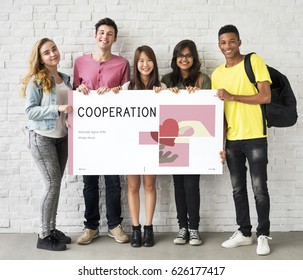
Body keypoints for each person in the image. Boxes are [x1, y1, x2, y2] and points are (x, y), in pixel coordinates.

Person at [212, 24, 272, 255]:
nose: (227, 46)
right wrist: (221, 144)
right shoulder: (217, 74)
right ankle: (245, 233)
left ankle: (263, 234)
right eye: (223, 43)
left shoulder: (253, 61)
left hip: (255, 136)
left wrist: (233, 96)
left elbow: (265, 96)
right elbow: (221, 113)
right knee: (238, 189)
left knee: (259, 189)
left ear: (239, 42)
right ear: (219, 45)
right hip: (233, 140)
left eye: (231, 41)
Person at [73, 18, 130, 245]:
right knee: (89, 182)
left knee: (113, 182)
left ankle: (115, 225)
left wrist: (117, 91)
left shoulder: (122, 64)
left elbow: (127, 96)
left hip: (113, 132)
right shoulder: (80, 62)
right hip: (87, 133)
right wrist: (80, 88)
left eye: (109, 34)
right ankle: (91, 227)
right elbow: (74, 92)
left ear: (114, 39)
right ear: (95, 35)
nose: (104, 37)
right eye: (101, 32)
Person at [21, 38, 73, 251]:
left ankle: (51, 229)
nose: (52, 54)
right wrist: (57, 109)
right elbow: (30, 111)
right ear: (40, 58)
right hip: (42, 138)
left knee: (56, 185)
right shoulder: (37, 80)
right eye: (46, 52)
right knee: (51, 185)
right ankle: (43, 235)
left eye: (54, 49)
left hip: (61, 138)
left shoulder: (66, 79)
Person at [113, 45, 166, 247]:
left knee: (150, 185)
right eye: (141, 60)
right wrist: (113, 93)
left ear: (154, 63)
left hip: (152, 143)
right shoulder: (127, 87)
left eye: (149, 60)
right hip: (131, 144)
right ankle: (135, 228)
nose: (145, 64)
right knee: (133, 186)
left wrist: (168, 94)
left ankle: (148, 227)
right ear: (136, 64)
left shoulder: (161, 86)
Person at [161, 39, 211, 246]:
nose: (184, 59)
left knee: (192, 185)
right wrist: (167, 92)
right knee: (178, 184)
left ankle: (194, 229)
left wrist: (197, 97)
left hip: (195, 139)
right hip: (172, 141)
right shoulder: (166, 79)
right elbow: (160, 106)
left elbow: (210, 108)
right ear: (175, 58)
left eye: (189, 55)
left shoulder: (203, 79)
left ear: (194, 58)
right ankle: (182, 227)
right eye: (180, 55)